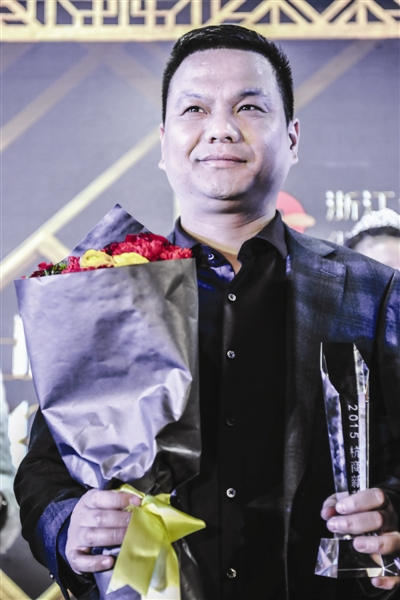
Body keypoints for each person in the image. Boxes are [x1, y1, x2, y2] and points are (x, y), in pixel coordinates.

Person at [14, 25, 400, 600]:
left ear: (293, 137)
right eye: (195, 108)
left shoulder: (375, 290)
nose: (221, 128)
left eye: (250, 106)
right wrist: (69, 526)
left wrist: (393, 512)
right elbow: (45, 469)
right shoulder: (102, 288)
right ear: (163, 142)